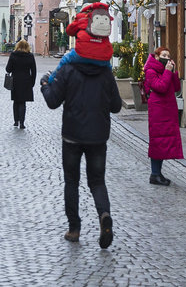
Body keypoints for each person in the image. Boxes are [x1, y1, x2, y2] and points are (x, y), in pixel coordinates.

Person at [40, 53, 122, 249]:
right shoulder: (105, 72)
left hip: (72, 136)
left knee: (71, 181)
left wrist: (45, 85)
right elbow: (117, 106)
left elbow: (53, 101)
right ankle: (104, 215)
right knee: (97, 181)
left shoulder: (68, 69)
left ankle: (74, 229)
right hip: (98, 136)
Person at [143, 46, 184, 186]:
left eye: (168, 55)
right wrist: (167, 72)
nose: (167, 58)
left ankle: (157, 173)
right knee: (157, 142)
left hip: (167, 111)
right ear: (156, 57)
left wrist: (173, 72)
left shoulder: (165, 70)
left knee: (163, 143)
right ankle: (154, 174)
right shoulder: (150, 71)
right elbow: (160, 87)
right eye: (164, 55)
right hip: (158, 112)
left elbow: (176, 88)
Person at [49, 2, 114, 82]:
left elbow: (69, 31)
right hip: (103, 55)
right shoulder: (104, 17)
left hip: (83, 53)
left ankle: (51, 80)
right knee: (108, 68)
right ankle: (111, 83)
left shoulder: (82, 17)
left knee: (65, 59)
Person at [4, 39, 36, 128]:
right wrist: (32, 82)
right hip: (26, 81)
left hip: (15, 80)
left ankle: (15, 121)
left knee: (16, 101)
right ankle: (22, 123)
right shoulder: (30, 56)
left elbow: (8, 69)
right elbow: (34, 71)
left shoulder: (14, 55)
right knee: (22, 102)